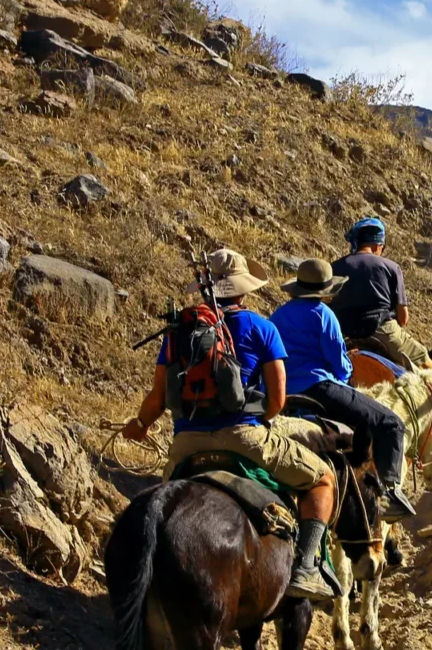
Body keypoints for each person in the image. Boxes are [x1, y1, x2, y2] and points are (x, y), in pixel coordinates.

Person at [121, 249, 338, 602]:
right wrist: (262, 423)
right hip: (244, 436)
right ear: (243, 289)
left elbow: (157, 399)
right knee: (323, 478)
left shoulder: (178, 334)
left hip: (186, 443)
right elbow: (277, 402)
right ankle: (307, 567)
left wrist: (139, 425)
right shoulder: (262, 328)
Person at [270, 258, 417, 521]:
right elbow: (340, 367)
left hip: (282, 395)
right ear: (326, 291)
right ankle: (389, 494)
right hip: (320, 389)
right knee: (391, 423)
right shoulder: (324, 314)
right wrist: (347, 366)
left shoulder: (278, 315)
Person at [330, 218, 431, 370]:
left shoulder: (334, 267)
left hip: (343, 334)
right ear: (378, 245)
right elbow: (403, 319)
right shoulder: (391, 267)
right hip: (383, 331)